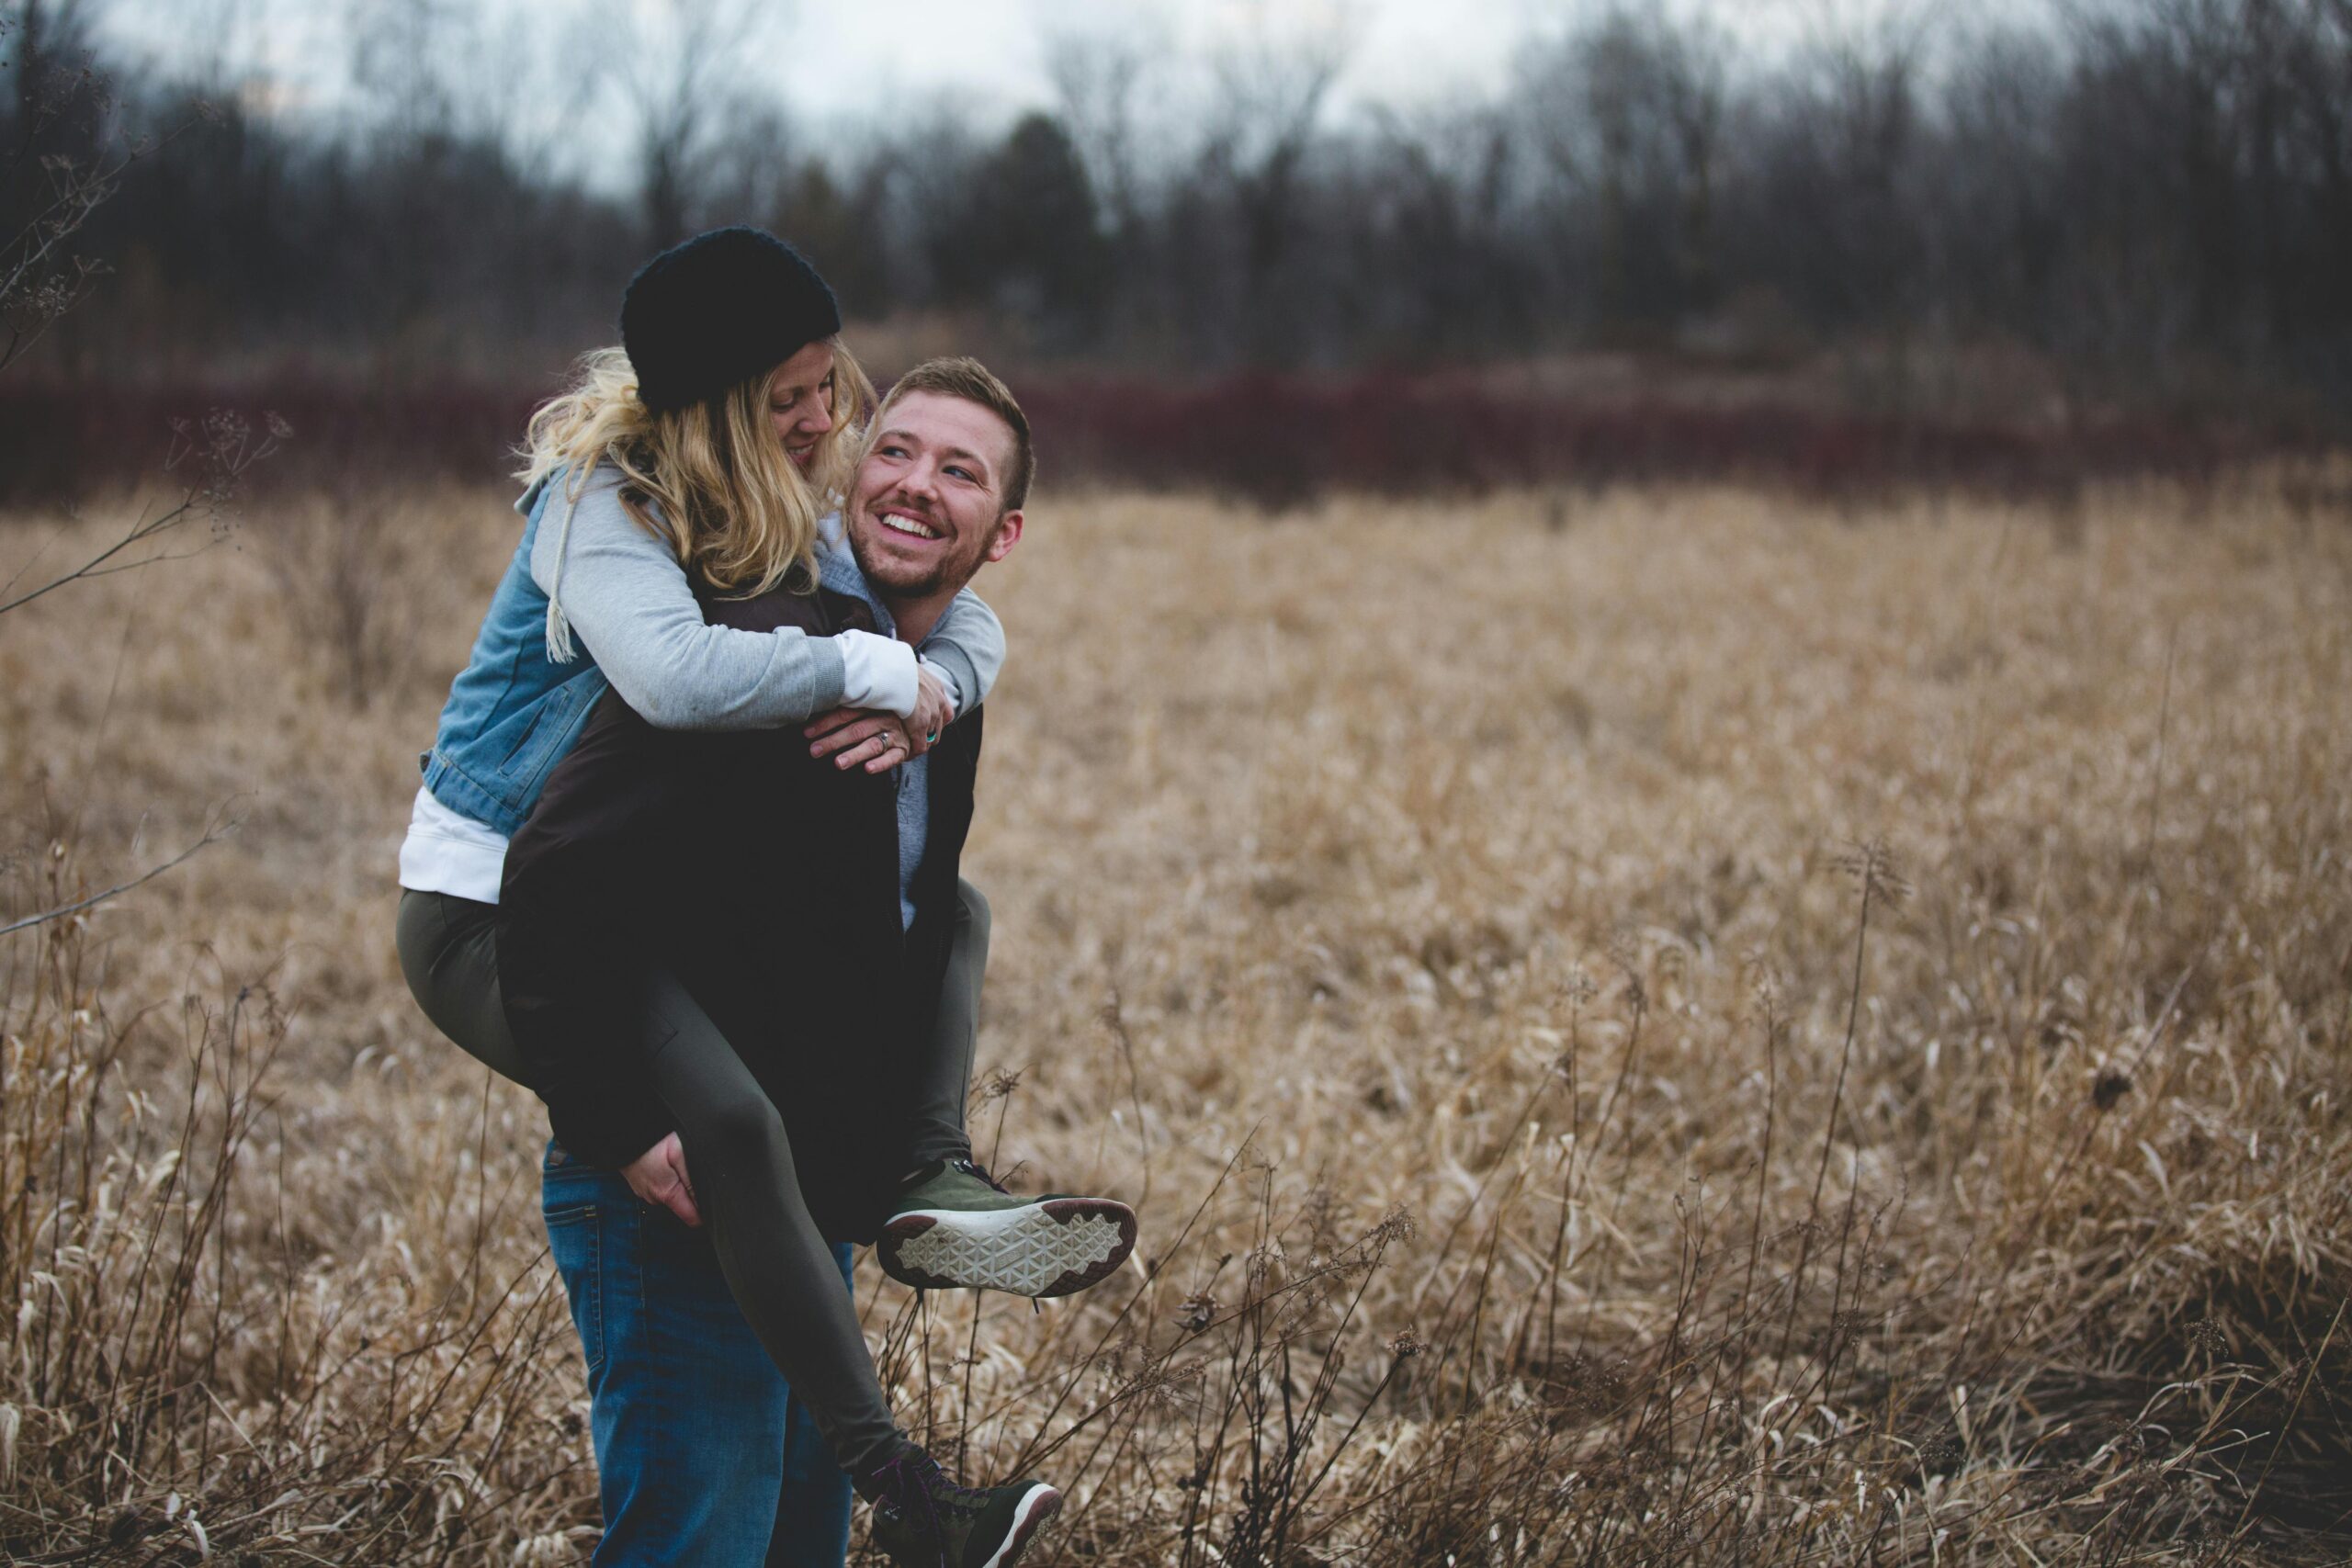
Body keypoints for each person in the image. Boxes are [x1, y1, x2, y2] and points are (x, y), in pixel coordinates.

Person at [391, 231, 1124, 1564]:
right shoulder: (603, 504)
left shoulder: (780, 511)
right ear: (721, 404)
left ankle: (924, 1170)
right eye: (792, 395)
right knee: (720, 1122)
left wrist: (938, 684)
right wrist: (873, 675)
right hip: (498, 896)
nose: (828, 417)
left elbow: (945, 605)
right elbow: (672, 685)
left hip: (625, 923)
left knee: (953, 916)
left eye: (829, 382)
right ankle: (911, 1495)